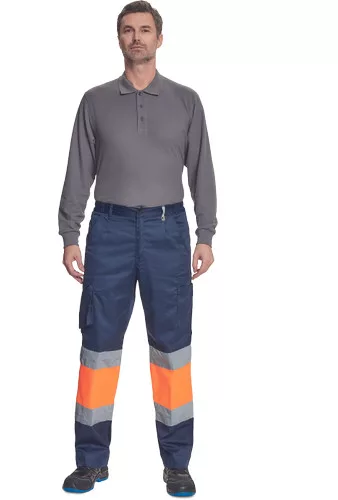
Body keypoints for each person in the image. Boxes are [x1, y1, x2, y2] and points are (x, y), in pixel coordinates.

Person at [57, 1, 217, 496]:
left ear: (160, 39)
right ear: (119, 39)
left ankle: (177, 463)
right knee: (98, 347)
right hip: (110, 230)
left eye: (145, 30)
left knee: (172, 348)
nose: (137, 38)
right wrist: (69, 234)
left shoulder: (187, 101)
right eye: (128, 30)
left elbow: (202, 170)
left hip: (169, 231)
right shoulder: (95, 101)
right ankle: (91, 462)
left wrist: (206, 234)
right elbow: (78, 170)